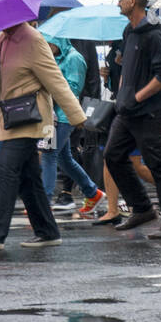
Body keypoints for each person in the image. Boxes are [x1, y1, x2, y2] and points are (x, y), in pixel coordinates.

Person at [0, 18, 87, 250]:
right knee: (28, 178)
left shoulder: (33, 39)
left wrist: (77, 117)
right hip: (7, 118)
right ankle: (47, 231)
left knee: (6, 168)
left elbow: (56, 81)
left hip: (30, 117)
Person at [97, 0, 161, 239]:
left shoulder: (155, 33)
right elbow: (129, 67)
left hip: (149, 111)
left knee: (160, 165)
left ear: (134, 1)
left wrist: (137, 96)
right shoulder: (129, 31)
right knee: (113, 156)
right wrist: (123, 85)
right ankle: (142, 209)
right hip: (127, 110)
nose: (118, 2)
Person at [40, 35, 106, 217]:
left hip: (62, 116)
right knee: (63, 158)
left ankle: (44, 206)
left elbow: (73, 89)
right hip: (52, 115)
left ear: (58, 41)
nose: (46, 46)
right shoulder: (56, 57)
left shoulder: (74, 58)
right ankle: (93, 192)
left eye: (49, 43)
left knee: (49, 155)